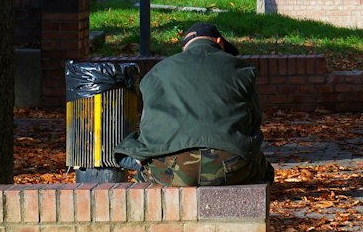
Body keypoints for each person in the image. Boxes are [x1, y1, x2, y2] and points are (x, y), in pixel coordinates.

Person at [117, 23, 274, 186]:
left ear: (185, 47)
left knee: (142, 176)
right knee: (265, 170)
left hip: (171, 168)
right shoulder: (242, 68)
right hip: (231, 165)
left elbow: (148, 125)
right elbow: (254, 121)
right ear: (219, 41)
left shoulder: (157, 71)